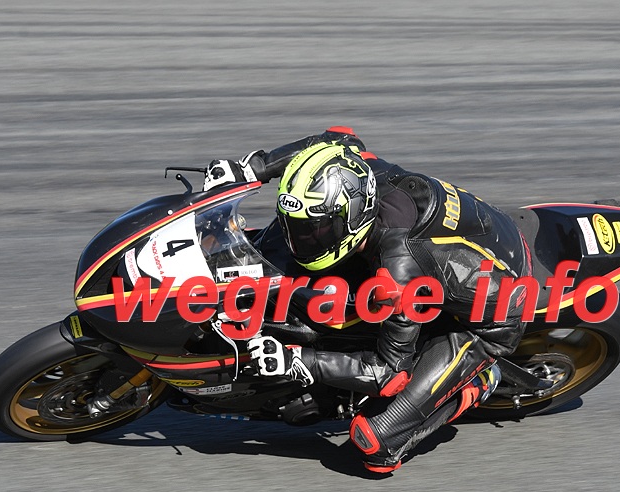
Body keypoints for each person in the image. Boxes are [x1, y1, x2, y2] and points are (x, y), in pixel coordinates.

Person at [206, 127, 529, 473]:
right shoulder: (358, 170)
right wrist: (253, 168)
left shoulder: (399, 271)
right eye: (295, 226)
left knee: (374, 442)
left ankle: (481, 381)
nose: (298, 238)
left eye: (314, 229)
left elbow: (388, 373)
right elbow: (338, 138)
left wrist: (298, 360)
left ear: (351, 220)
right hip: (477, 243)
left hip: (487, 321)